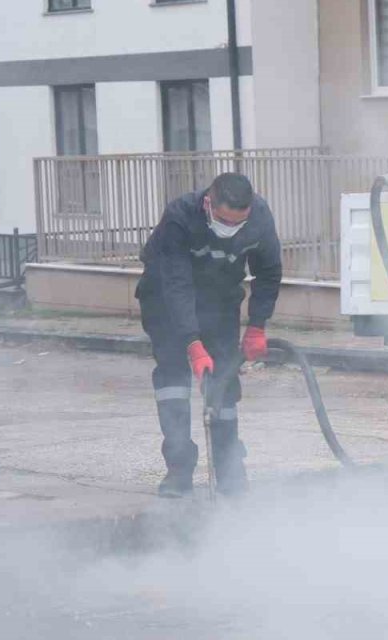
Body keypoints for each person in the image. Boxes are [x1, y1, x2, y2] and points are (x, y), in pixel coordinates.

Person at [135, 173, 283, 497]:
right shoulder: (180, 217)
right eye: (224, 221)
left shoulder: (259, 216)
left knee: (224, 383)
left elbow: (268, 272)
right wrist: (192, 342)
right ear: (208, 204)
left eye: (238, 223)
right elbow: (176, 285)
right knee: (173, 382)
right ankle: (178, 470)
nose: (231, 229)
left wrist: (258, 324)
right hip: (164, 299)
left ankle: (229, 468)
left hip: (219, 301)